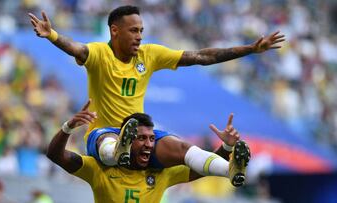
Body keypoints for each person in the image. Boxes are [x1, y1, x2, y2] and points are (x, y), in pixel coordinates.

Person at [28, 5, 273, 186]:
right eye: (133, 30)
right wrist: (52, 35)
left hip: (140, 132)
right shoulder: (99, 53)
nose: (139, 36)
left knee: (183, 149)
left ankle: (231, 170)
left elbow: (201, 57)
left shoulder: (150, 54)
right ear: (115, 31)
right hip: (104, 132)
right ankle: (119, 151)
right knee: (107, 145)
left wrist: (250, 49)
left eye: (141, 30)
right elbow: (76, 48)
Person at [46, 100, 250, 202]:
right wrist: (68, 127)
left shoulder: (162, 173)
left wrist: (227, 148)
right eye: (141, 138)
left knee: (189, 153)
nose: (149, 144)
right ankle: (113, 150)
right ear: (126, 141)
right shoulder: (98, 170)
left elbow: (203, 168)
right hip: (107, 150)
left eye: (152, 139)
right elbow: (56, 155)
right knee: (104, 147)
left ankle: (230, 170)